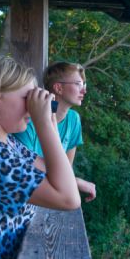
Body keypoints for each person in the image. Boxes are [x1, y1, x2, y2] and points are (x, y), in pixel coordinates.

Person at [0, 55, 80, 258]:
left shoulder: (7, 143)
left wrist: (51, 123)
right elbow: (68, 198)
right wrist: (42, 123)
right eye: (27, 98)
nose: (32, 107)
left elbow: (51, 171)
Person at [14, 61, 96, 202]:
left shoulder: (73, 119)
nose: (84, 90)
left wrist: (68, 179)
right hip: (27, 196)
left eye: (84, 85)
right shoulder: (27, 119)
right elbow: (25, 169)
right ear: (58, 88)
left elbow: (65, 169)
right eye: (78, 84)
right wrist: (76, 181)